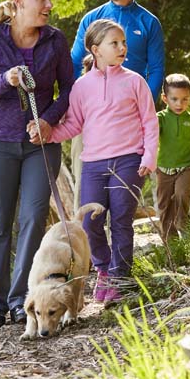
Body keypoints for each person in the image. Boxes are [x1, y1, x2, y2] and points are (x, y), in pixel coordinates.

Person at [30, 19, 159, 306]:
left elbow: (149, 122)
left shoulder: (134, 81)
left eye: (124, 42)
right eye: (115, 43)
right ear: (95, 49)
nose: (122, 48)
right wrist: (48, 135)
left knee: (122, 220)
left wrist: (149, 156)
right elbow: (74, 124)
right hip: (94, 165)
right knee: (89, 222)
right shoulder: (81, 87)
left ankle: (120, 277)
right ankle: (102, 268)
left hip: (129, 160)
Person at [0, 0, 74, 329]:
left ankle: (21, 299)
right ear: (19, 2)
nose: (48, 5)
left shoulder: (56, 41)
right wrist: (6, 79)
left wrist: (47, 121)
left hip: (40, 145)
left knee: (32, 220)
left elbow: (69, 90)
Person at [69, 0, 165, 210]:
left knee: (122, 201)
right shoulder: (92, 19)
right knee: (89, 201)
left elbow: (155, 70)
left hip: (130, 121)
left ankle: (123, 248)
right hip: (92, 119)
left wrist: (142, 107)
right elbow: (73, 62)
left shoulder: (148, 23)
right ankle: (89, 250)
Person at [155, 74, 190, 242]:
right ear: (165, 98)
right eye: (175, 99)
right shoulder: (160, 119)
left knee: (181, 194)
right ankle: (170, 241)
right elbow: (150, 135)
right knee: (164, 204)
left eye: (185, 99)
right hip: (164, 168)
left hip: (187, 167)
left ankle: (182, 223)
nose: (180, 104)